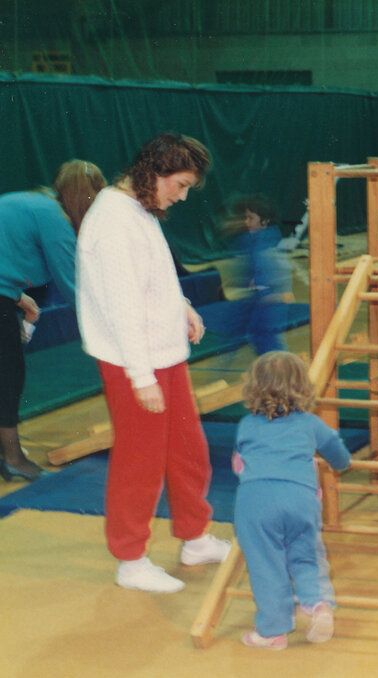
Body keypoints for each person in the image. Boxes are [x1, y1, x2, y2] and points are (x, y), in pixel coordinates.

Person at [76, 132, 230, 593]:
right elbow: (122, 307)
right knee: (139, 460)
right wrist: (140, 377)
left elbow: (154, 275)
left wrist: (181, 304)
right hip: (133, 361)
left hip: (163, 353)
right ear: (154, 173)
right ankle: (130, 558)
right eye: (179, 185)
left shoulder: (139, 209)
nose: (181, 196)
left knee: (188, 450)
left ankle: (195, 536)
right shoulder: (113, 221)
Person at [232, 351, 352, 650]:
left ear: (253, 388)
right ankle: (317, 604)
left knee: (266, 564)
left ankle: (273, 631)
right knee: (306, 554)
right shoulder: (312, 424)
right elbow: (340, 458)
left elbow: (238, 464)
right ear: (304, 388)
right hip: (300, 498)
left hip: (256, 502)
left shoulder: (247, 424)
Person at [0, 159, 107, 482]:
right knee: (9, 375)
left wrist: (17, 298)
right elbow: (74, 286)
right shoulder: (54, 218)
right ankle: (14, 457)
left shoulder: (38, 202)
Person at [228, 194, 293, 354]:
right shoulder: (258, 242)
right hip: (263, 299)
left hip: (270, 302)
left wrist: (277, 295)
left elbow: (283, 277)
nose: (246, 222)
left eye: (251, 218)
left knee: (270, 342)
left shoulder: (268, 247)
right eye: (246, 218)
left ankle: (285, 375)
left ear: (264, 221)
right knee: (260, 337)